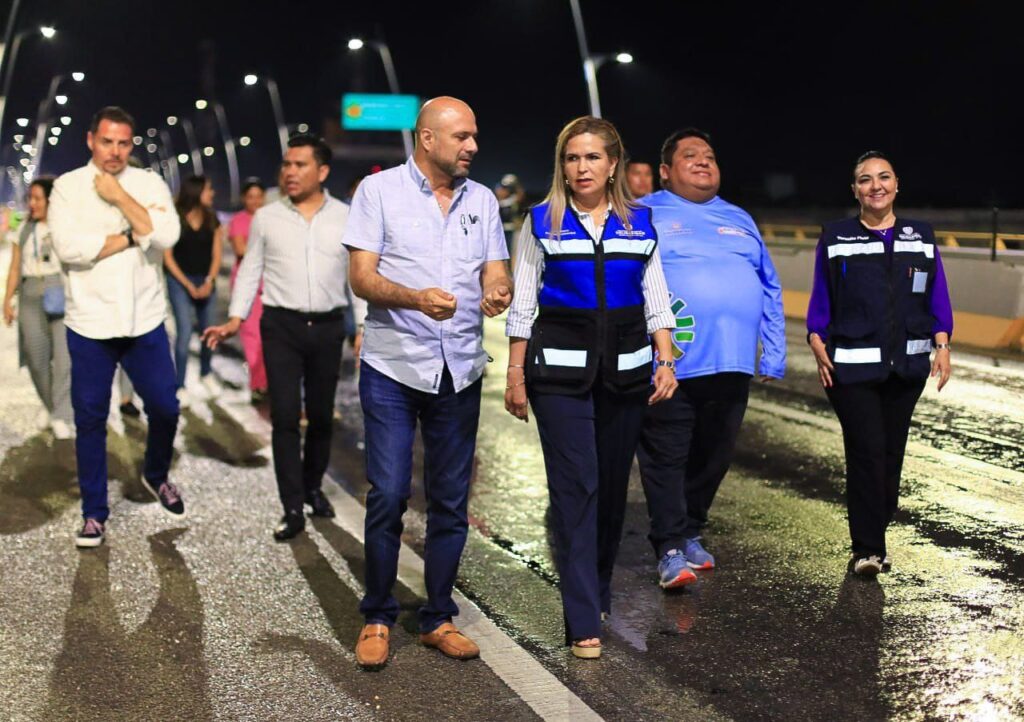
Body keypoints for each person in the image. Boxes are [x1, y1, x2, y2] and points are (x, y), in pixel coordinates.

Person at [344, 97, 512, 669]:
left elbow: (496, 269)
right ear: (427, 140)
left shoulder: (483, 200)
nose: (472, 147)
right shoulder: (378, 192)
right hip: (393, 364)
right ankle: (377, 614)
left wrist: (498, 291)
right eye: (462, 137)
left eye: (474, 136)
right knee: (389, 492)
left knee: (450, 500)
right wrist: (415, 298)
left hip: (459, 369)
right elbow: (362, 277)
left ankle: (437, 617)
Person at [505, 116, 678, 659]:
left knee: (608, 492)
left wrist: (666, 358)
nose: (581, 167)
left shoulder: (640, 223)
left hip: (625, 375)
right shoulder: (540, 222)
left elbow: (656, 295)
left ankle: (597, 591)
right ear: (562, 165)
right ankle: (582, 618)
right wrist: (515, 373)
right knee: (575, 488)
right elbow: (523, 302)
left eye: (591, 158)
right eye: (572, 158)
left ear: (612, 165)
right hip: (557, 378)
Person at [636, 128, 786, 588]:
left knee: (713, 456)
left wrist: (774, 353)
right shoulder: (643, 213)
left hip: (732, 363)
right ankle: (669, 547)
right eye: (690, 156)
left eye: (710, 156)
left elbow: (769, 285)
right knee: (667, 456)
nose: (703, 162)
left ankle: (691, 529)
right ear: (665, 172)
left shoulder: (739, 217)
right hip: (671, 363)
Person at [203, 135, 365, 540]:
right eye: (286, 165)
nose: (290, 173)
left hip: (327, 327)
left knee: (323, 418)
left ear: (322, 171)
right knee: (286, 418)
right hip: (280, 327)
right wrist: (235, 319)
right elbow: (251, 271)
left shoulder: (347, 217)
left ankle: (313, 488)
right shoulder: (267, 218)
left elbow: (357, 280)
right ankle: (292, 506)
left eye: (300, 165)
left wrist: (361, 327)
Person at [807, 150, 952, 576]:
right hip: (850, 369)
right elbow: (822, 293)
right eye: (865, 180)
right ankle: (867, 550)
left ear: (896, 185)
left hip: (906, 370)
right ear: (855, 190)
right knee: (867, 452)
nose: (876, 186)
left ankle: (877, 521)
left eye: (883, 177)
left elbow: (936, 293)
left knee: (890, 457)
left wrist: (942, 342)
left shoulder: (920, 235)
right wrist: (816, 336)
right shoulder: (836, 237)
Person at [48, 106, 184, 548]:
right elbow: (69, 249)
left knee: (165, 406)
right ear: (92, 140)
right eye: (107, 141)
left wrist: (121, 199)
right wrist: (132, 234)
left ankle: (156, 472)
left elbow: (167, 237)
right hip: (89, 323)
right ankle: (94, 513)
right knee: (90, 419)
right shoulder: (67, 187)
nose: (115, 151)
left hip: (144, 319)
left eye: (124, 143)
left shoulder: (147, 183)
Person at [2, 177, 75, 439]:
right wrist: (7, 300)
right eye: (29, 198)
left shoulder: (65, 227)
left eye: (37, 198)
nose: (32, 204)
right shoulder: (23, 230)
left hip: (61, 292)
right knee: (36, 357)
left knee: (65, 360)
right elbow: (14, 267)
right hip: (31, 293)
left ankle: (62, 415)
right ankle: (50, 405)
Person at [163, 175, 223, 402]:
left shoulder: (212, 219)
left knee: (208, 331)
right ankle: (179, 385)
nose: (213, 193)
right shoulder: (175, 218)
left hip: (205, 279)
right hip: (180, 280)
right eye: (209, 189)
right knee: (185, 332)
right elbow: (167, 257)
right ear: (197, 192)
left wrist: (209, 281)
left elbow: (217, 254)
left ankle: (206, 373)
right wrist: (187, 285)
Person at [228, 179, 267, 403]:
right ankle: (258, 383)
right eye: (250, 197)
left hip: (271, 283)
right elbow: (241, 249)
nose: (255, 201)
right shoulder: (238, 221)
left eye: (258, 196)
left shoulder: (271, 220)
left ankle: (269, 380)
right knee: (252, 336)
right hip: (248, 284)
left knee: (270, 335)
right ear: (244, 198)